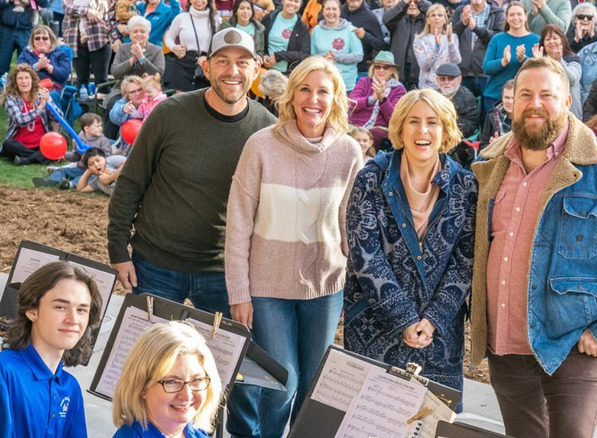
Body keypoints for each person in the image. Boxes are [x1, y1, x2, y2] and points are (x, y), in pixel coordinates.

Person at [470, 56, 597, 438]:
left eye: (547, 94)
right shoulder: (488, 166)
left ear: (568, 101)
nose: (534, 103)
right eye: (525, 94)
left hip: (575, 346)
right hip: (505, 347)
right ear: (511, 101)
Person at [225, 55, 363, 438]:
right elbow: (238, 224)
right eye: (304, 88)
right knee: (280, 383)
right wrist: (239, 292)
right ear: (291, 95)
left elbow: (349, 226)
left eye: (323, 91)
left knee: (314, 385)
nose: (313, 99)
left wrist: (355, 285)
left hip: (325, 288)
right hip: (267, 287)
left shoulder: (349, 152)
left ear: (336, 99)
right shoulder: (261, 145)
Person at [108, 27, 275, 324]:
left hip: (223, 274)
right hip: (155, 263)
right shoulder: (169, 114)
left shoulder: (268, 131)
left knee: (218, 365)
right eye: (222, 61)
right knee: (147, 358)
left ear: (256, 69)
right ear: (206, 67)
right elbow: (131, 182)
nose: (232, 71)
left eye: (242, 62)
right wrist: (118, 249)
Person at [343, 88, 476, 412]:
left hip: (438, 335)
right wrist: (403, 318)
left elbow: (465, 262)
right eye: (413, 121)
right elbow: (365, 257)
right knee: (371, 422)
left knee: (430, 423)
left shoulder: (465, 186)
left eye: (432, 122)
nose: (423, 131)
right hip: (374, 326)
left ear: (445, 129)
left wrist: (430, 320)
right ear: (399, 127)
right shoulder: (371, 178)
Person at [0, 261, 102, 438]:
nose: (73, 319)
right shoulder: (5, 372)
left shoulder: (71, 388)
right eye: (60, 307)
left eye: (82, 310)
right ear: (32, 311)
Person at [112, 321, 222, 438]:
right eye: (172, 382)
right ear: (142, 386)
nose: (187, 395)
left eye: (197, 380)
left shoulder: (194, 433)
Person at [107, 15, 166, 139]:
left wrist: (142, 59)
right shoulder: (123, 48)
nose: (139, 34)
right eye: (135, 31)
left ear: (148, 34)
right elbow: (115, 72)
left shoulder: (156, 50)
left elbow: (158, 73)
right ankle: (110, 140)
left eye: (142, 31)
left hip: (148, 91)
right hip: (124, 90)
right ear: (130, 34)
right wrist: (131, 60)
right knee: (113, 103)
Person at [482, 2, 540, 114]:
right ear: (507, 18)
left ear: (525, 17)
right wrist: (503, 62)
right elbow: (486, 68)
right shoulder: (497, 39)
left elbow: (539, 71)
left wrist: (525, 59)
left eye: (519, 14)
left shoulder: (536, 40)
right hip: (495, 97)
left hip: (524, 98)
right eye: (512, 15)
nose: (516, 18)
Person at [0, 64, 62, 166]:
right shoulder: (11, 98)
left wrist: (48, 102)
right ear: (15, 82)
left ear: (32, 80)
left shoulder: (41, 95)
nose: (24, 81)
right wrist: (40, 108)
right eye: (20, 78)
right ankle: (44, 157)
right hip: (19, 144)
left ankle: (27, 160)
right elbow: (20, 120)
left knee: (59, 142)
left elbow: (59, 118)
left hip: (41, 143)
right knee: (7, 144)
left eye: (27, 78)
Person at [32, 112, 112, 189]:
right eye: (97, 126)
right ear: (87, 128)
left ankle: (70, 184)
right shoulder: (78, 139)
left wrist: (92, 155)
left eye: (101, 125)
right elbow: (75, 156)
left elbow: (107, 156)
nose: (101, 128)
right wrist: (64, 154)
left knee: (89, 177)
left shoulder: (103, 140)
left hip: (93, 171)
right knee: (62, 171)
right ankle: (51, 181)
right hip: (80, 167)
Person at [348, 50, 407, 150]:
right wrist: (372, 99)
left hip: (379, 128)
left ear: (392, 70)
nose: (381, 70)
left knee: (375, 134)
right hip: (356, 124)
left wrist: (382, 99)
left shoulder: (399, 89)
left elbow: (394, 118)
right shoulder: (364, 82)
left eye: (386, 67)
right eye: (378, 66)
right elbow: (351, 103)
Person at [450, 0, 505, 98]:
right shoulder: (460, 11)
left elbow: (498, 39)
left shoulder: (497, 13)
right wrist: (462, 23)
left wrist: (476, 28)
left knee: (487, 111)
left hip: (486, 73)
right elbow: (450, 36)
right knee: (463, 110)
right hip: (462, 73)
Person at [164, 0, 221, 93]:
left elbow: (220, 44)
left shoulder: (216, 19)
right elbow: (169, 37)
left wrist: (208, 57)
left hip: (205, 67)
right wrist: (174, 48)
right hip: (183, 65)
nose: (199, 1)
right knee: (182, 103)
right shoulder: (181, 18)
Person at [311, 0, 364, 92]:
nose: (331, 12)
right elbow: (312, 56)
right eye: (327, 9)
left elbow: (359, 56)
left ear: (340, 12)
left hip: (346, 85)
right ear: (322, 11)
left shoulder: (350, 30)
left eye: (334, 9)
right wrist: (324, 58)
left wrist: (336, 57)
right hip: (323, 83)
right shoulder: (316, 30)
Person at [535, 24, 582, 119]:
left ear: (562, 41)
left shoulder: (573, 59)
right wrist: (539, 64)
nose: (551, 42)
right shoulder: (540, 60)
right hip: (547, 113)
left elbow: (571, 80)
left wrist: (560, 61)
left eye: (555, 38)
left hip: (570, 113)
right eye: (548, 39)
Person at [435, 63, 480, 165]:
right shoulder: (433, 96)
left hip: (458, 143)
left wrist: (444, 124)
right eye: (442, 79)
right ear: (437, 80)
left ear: (459, 79)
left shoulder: (467, 98)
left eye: (450, 79)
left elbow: (469, 126)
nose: (446, 82)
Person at [63, 0, 112, 91]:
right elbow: (67, 7)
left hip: (99, 41)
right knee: (81, 80)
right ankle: (82, 105)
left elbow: (104, 8)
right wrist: (86, 12)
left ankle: (102, 104)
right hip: (76, 44)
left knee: (102, 80)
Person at [384, 0, 432, 87]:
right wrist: (403, 3)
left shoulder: (428, 21)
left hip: (420, 71)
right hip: (399, 71)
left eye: (415, 2)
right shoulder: (398, 19)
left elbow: (434, 13)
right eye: (409, 2)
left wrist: (420, 2)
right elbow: (386, 19)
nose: (412, 4)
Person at [413, 4, 461, 89]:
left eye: (440, 15)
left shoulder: (452, 37)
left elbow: (456, 61)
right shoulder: (420, 39)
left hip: (448, 85)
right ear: (428, 20)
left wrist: (450, 42)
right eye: (433, 15)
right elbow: (424, 66)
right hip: (428, 86)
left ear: (445, 19)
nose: (436, 18)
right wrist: (436, 47)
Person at [0, 0, 50, 80]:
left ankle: (25, 89)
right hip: (5, 28)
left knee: (27, 65)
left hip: (26, 29)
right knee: (1, 63)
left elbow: (44, 3)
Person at [17, 25, 72, 93]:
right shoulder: (25, 54)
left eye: (45, 38)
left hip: (54, 90)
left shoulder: (61, 54)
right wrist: (37, 66)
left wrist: (48, 67)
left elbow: (64, 75)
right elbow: (19, 73)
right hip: (31, 90)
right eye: (37, 38)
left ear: (51, 40)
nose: (41, 40)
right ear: (32, 41)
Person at [261, 0, 310, 75]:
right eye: (290, 0)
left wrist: (279, 56)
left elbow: (304, 54)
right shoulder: (269, 18)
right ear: (283, 1)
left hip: (286, 75)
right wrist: (263, 55)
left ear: (300, 5)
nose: (292, 4)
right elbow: (259, 42)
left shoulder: (302, 28)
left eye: (296, 1)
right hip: (264, 71)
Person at [342, 0, 386, 75]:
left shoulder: (370, 17)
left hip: (361, 70)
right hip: (339, 68)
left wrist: (365, 36)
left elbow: (381, 45)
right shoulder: (338, 12)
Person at [108, 75, 145, 154]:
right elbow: (113, 116)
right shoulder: (123, 103)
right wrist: (123, 109)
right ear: (127, 95)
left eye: (140, 89)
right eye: (132, 92)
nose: (137, 93)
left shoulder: (151, 101)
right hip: (127, 147)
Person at [481, 79, 514, 147]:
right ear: (502, 97)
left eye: (513, 98)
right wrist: (492, 146)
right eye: (507, 97)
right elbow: (483, 145)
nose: (510, 102)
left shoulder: (528, 118)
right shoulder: (492, 115)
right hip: (495, 156)